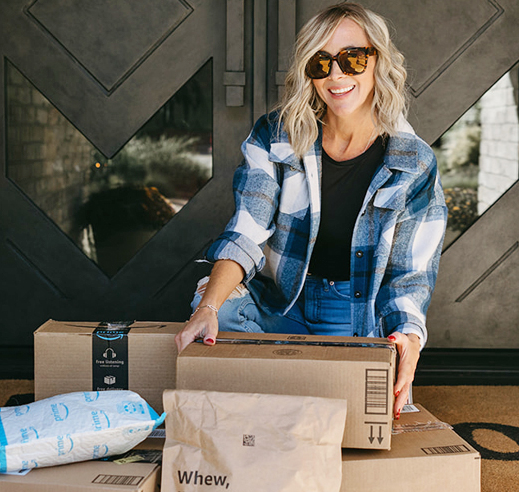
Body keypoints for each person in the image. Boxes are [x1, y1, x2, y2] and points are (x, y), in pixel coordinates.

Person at [174, 2, 447, 416]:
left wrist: (407, 338)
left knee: (355, 419)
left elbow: (410, 275)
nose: (337, 75)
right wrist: (208, 308)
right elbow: (247, 228)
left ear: (378, 61)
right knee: (215, 310)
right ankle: (283, 384)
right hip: (282, 302)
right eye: (321, 63)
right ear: (309, 72)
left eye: (353, 58)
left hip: (352, 315)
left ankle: (284, 386)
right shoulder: (275, 136)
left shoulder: (413, 161)